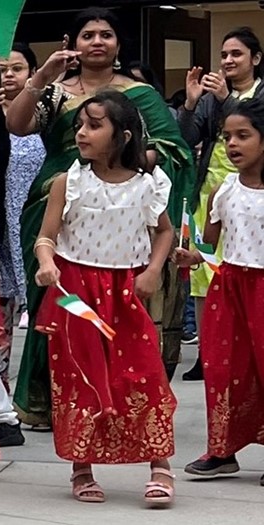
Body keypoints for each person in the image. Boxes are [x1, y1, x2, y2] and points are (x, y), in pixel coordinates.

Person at [5, 7, 194, 429]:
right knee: (54, 304)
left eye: (105, 34)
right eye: (87, 34)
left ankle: (109, 395)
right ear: (72, 43)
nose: (96, 41)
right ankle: (50, 399)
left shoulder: (137, 94)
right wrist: (41, 77)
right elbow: (17, 125)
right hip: (53, 201)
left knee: (110, 310)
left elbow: (172, 147)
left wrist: (121, 167)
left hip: (116, 208)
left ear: (118, 44)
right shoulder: (55, 92)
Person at [30, 90, 178, 506]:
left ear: (123, 136)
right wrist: (46, 261)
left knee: (144, 374)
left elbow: (164, 231)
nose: (81, 133)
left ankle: (160, 463)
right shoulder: (69, 182)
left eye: (94, 125)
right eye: (80, 125)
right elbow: (47, 236)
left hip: (125, 292)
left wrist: (151, 270)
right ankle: (82, 466)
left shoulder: (148, 186)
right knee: (79, 378)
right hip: (73, 293)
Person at [176, 98, 264, 482]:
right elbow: (210, 246)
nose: (232, 144)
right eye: (227, 136)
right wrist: (190, 256)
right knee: (225, 371)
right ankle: (223, 449)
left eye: (243, 136)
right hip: (229, 289)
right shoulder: (224, 191)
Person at [175, 27, 264, 382]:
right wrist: (192, 103)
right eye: (224, 55)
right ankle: (209, 349)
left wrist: (228, 100)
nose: (228, 60)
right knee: (204, 275)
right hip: (212, 189)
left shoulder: (258, 95)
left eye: (236, 54)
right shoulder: (211, 95)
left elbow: (244, 123)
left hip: (255, 190)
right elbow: (187, 138)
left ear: (255, 59)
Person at [0, 42, 42, 448]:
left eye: (18, 68)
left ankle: (39, 399)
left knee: (45, 319)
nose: (9, 75)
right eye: (3, 68)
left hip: (34, 229)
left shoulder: (43, 117)